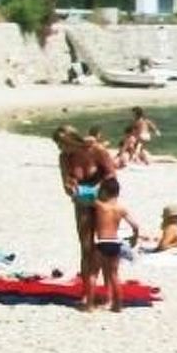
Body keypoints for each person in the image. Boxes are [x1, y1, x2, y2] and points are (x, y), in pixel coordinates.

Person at [55, 126, 119, 304]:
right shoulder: (65, 158)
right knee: (86, 247)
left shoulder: (96, 150)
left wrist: (98, 189)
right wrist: (71, 187)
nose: (61, 149)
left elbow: (112, 175)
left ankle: (108, 293)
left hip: (104, 199)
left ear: (73, 141)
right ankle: (87, 292)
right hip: (83, 201)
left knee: (105, 245)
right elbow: (66, 184)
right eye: (59, 146)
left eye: (63, 145)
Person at [85, 176, 144, 313]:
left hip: (101, 242)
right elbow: (135, 225)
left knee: (93, 273)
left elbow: (85, 197)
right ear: (117, 193)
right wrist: (134, 237)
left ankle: (89, 305)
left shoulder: (100, 206)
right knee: (114, 275)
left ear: (104, 192)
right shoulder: (121, 209)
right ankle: (117, 305)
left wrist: (95, 187)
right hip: (115, 243)